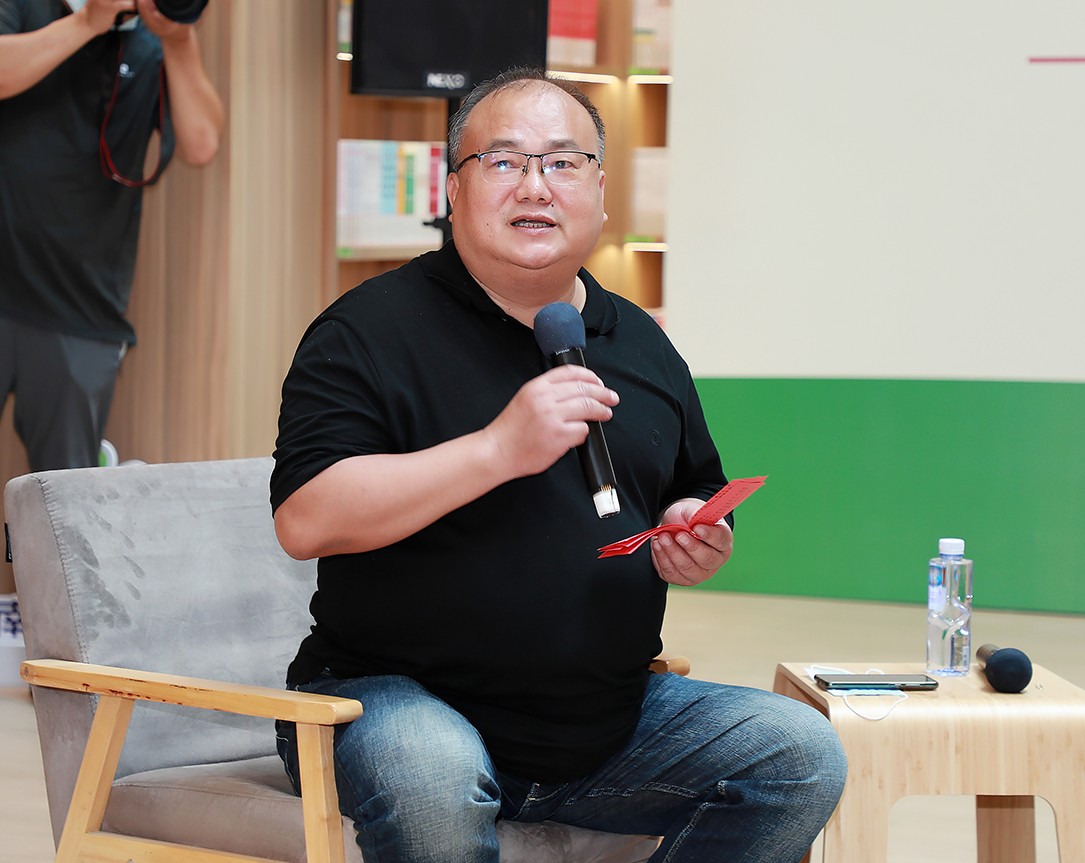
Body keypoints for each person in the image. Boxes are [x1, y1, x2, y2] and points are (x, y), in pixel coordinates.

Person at [271, 67, 846, 862]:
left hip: (603, 725)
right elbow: (305, 517)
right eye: (503, 161)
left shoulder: (639, 340)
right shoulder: (367, 329)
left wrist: (695, 531)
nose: (534, 185)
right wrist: (496, 449)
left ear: (600, 192)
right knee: (432, 770)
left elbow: (696, 486)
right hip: (394, 701)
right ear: (453, 189)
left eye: (563, 162)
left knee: (799, 752)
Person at [0, 0, 223, 471]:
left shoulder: (149, 43)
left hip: (82, 308)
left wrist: (178, 38)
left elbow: (202, 143)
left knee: (64, 499)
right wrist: (87, 23)